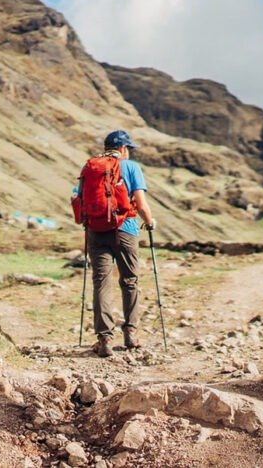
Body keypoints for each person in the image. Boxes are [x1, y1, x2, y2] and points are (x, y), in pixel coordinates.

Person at [86, 130, 155, 358]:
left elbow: (81, 199)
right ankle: (131, 333)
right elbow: (141, 205)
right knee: (129, 281)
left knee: (101, 283)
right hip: (126, 230)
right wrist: (150, 222)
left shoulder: (91, 167)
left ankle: (104, 338)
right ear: (123, 149)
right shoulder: (131, 167)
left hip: (96, 231)